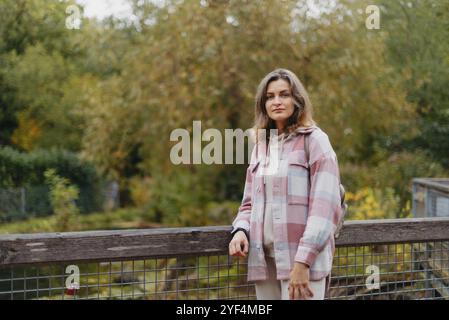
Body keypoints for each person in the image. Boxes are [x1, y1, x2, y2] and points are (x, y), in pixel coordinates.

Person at [229, 68, 343, 300]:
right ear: (263, 104)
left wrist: (303, 262)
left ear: (297, 100)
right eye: (270, 97)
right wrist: (241, 230)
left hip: (301, 262)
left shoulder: (316, 141)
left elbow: (325, 209)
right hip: (264, 262)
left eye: (284, 94)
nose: (277, 101)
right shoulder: (262, 147)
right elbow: (249, 204)